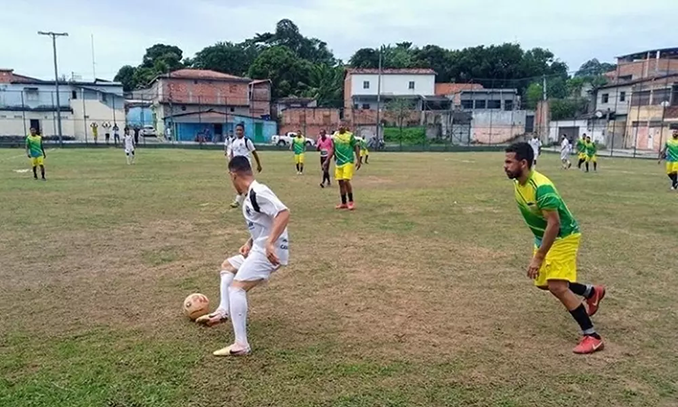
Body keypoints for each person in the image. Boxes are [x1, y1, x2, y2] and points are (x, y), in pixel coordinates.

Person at [504, 142, 605, 354]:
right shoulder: (518, 182)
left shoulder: (542, 188)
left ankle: (592, 336)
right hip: (544, 237)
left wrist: (539, 257)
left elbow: (555, 223)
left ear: (523, 163)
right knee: (544, 284)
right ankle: (590, 291)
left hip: (562, 236)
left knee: (557, 286)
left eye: (509, 162)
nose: (505, 166)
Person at [196, 155, 290, 357]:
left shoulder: (258, 192)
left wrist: (270, 243)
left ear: (233, 175)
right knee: (227, 266)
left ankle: (241, 345)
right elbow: (265, 223)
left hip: (269, 252)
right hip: (260, 248)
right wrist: (250, 242)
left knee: (237, 288)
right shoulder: (250, 196)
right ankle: (223, 311)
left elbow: (283, 213)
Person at [324, 124, 361, 210]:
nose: (341, 127)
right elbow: (333, 149)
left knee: (346, 181)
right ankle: (343, 203)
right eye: (340, 125)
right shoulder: (335, 136)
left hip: (348, 161)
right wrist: (327, 160)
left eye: (343, 125)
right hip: (338, 162)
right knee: (340, 183)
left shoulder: (350, 136)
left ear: (346, 127)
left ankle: (351, 202)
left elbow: (356, 147)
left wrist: (358, 160)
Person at [228, 123, 263, 208]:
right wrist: (231, 165)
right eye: (237, 130)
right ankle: (241, 199)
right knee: (236, 183)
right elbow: (232, 153)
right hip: (236, 166)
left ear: (243, 131)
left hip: (245, 166)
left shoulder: (247, 141)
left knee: (247, 184)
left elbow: (254, 153)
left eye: (240, 130)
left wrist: (259, 165)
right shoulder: (233, 141)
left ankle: (245, 200)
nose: (238, 132)